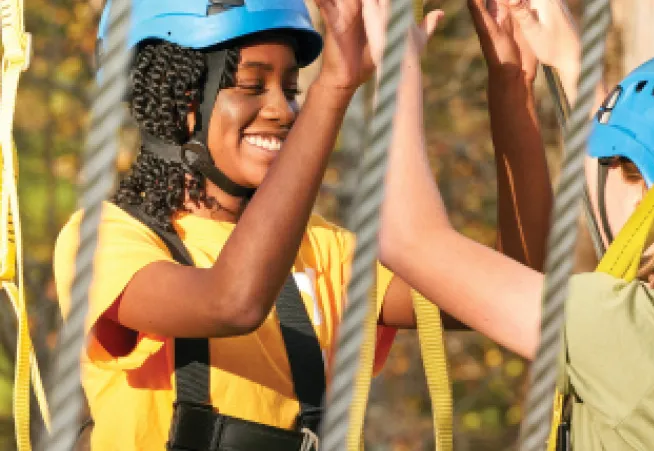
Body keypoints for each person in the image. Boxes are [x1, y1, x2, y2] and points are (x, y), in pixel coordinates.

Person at [53, 1, 448, 449]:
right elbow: (232, 302)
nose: (283, 110)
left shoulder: (322, 248)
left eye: (293, 88)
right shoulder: (105, 239)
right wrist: (333, 88)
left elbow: (499, 290)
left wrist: (512, 85)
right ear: (179, 99)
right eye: (250, 85)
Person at [375, 0, 654, 448]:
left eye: (610, 163)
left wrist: (396, 59)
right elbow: (642, 199)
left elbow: (409, 239)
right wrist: (533, 74)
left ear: (646, 196)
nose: (596, 170)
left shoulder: (639, 337)